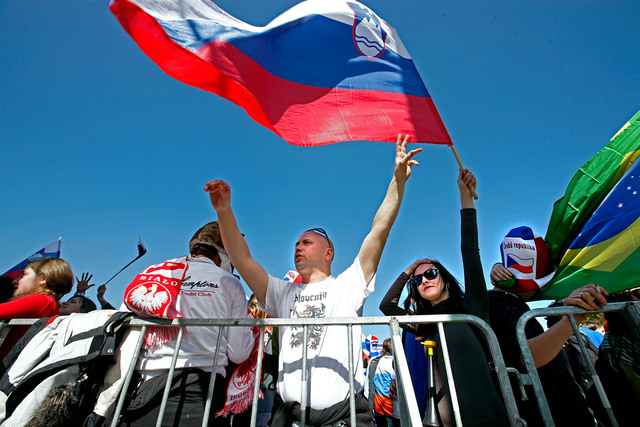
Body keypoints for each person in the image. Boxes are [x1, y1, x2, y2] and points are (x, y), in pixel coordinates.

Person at [206, 134, 421, 426]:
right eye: (296, 243)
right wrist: (224, 212)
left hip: (342, 418)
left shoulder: (348, 285)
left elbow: (378, 231)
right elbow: (242, 260)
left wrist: (398, 181)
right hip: (289, 417)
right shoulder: (282, 293)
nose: (298, 247)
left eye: (306, 242)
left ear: (328, 252)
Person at [379, 170, 509, 426]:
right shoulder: (425, 324)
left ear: (445, 278)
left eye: (429, 273)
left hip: (489, 417)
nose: (424, 279)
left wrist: (464, 195)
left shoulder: (472, 307)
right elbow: (387, 306)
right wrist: (410, 270)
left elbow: (470, 249)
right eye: (418, 280)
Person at [117, 222, 254, 427]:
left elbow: (122, 324)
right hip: (199, 391)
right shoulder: (229, 281)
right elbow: (239, 353)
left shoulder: (153, 273)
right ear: (223, 256)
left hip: (143, 388)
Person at [489, 226, 607, 426]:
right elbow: (528, 356)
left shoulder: (507, 303)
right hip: (550, 415)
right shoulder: (499, 304)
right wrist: (573, 319)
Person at [0, 258, 73, 358]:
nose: (15, 281)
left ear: (42, 279)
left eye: (23, 275)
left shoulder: (43, 300)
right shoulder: (49, 302)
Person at [369, 339, 399, 427]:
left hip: (380, 406)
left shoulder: (377, 363)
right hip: (394, 405)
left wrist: (371, 406)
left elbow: (372, 385)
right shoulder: (397, 362)